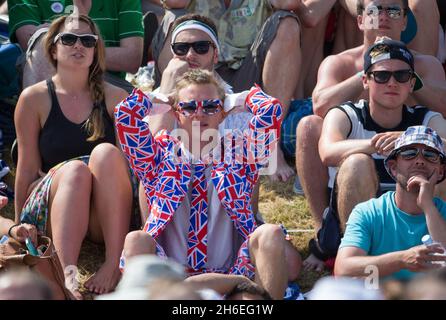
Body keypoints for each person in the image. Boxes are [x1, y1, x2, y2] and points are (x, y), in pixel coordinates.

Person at [116, 69, 301, 300]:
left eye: (211, 107)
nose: (199, 114)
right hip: (169, 279)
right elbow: (126, 114)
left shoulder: (240, 153)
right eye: (190, 107)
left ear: (223, 113)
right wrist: (160, 99)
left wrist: (240, 99)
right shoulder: (159, 155)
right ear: (176, 113)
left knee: (270, 233)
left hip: (233, 274)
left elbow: (270, 110)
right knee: (137, 239)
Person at [297, 0, 446, 271]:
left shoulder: (426, 65)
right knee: (309, 126)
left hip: (414, 159)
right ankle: (329, 235)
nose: (384, 17)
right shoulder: (340, 62)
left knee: (436, 152)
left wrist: (404, 71)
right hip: (358, 153)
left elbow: (442, 107)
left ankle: (435, 245)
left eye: (393, 10)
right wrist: (372, 65)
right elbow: (320, 106)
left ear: (405, 21)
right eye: (375, 10)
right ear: (361, 20)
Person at [14, 14, 133, 298]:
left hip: (101, 211)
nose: (78, 45)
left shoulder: (116, 98)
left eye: (87, 41)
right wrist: (19, 223)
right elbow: (27, 166)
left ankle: (114, 262)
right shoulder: (34, 98)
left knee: (105, 153)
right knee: (76, 171)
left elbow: (129, 168)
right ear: (53, 49)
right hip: (54, 202)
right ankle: (66, 272)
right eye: (69, 39)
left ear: (95, 51)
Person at [152, 0, 302, 182]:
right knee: (174, 17)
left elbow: (288, 3)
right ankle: (170, 96)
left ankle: (272, 144)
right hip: (188, 82)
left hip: (245, 73)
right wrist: (173, 76)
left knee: (286, 22)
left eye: (199, 48)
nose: (190, 54)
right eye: (182, 49)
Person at [334, 125, 446, 281]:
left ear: (440, 171)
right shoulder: (368, 212)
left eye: (430, 155)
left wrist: (428, 206)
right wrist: (402, 260)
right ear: (393, 168)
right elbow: (343, 269)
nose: (420, 161)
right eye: (409, 154)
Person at [7, 0, 144, 90]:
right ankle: (43, 127)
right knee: (42, 39)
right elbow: (35, 45)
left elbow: (131, 59)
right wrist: (87, 44)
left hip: (106, 84)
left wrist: (64, 40)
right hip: (53, 78)